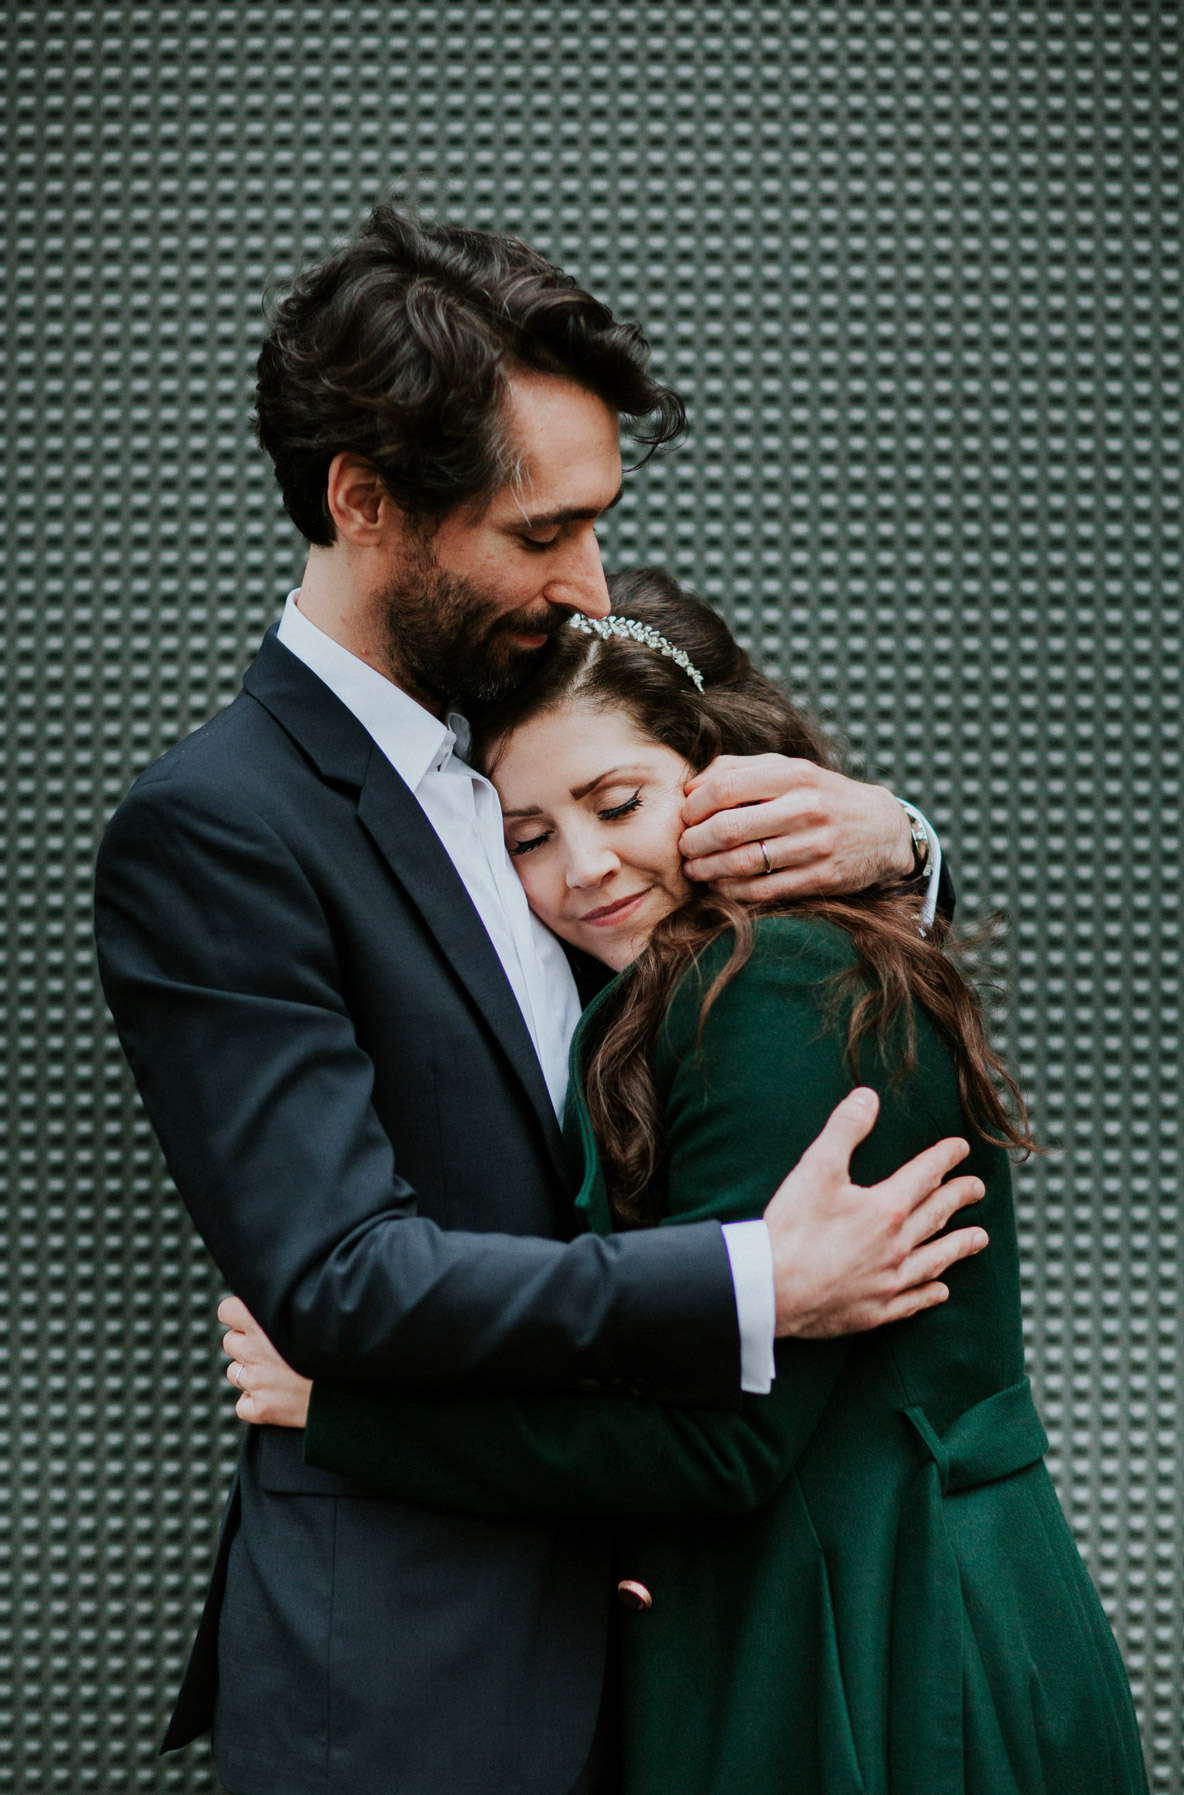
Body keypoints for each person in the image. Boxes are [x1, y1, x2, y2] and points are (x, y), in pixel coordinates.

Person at [94, 209, 986, 1795]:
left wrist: (909, 852)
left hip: (674, 1642)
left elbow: (736, 1012)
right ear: (365, 502)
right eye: (537, 534)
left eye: (599, 528)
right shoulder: (218, 826)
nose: (586, 586)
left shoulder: (548, 741)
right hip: (418, 1680)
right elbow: (343, 1274)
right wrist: (751, 1278)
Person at [222, 567, 1149, 1795]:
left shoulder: (774, 988)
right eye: (529, 837)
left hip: (874, 1624)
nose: (588, 868)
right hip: (803, 1597)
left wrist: (337, 1407)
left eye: (620, 801)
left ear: (724, 773)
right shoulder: (671, 989)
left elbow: (723, 1446)